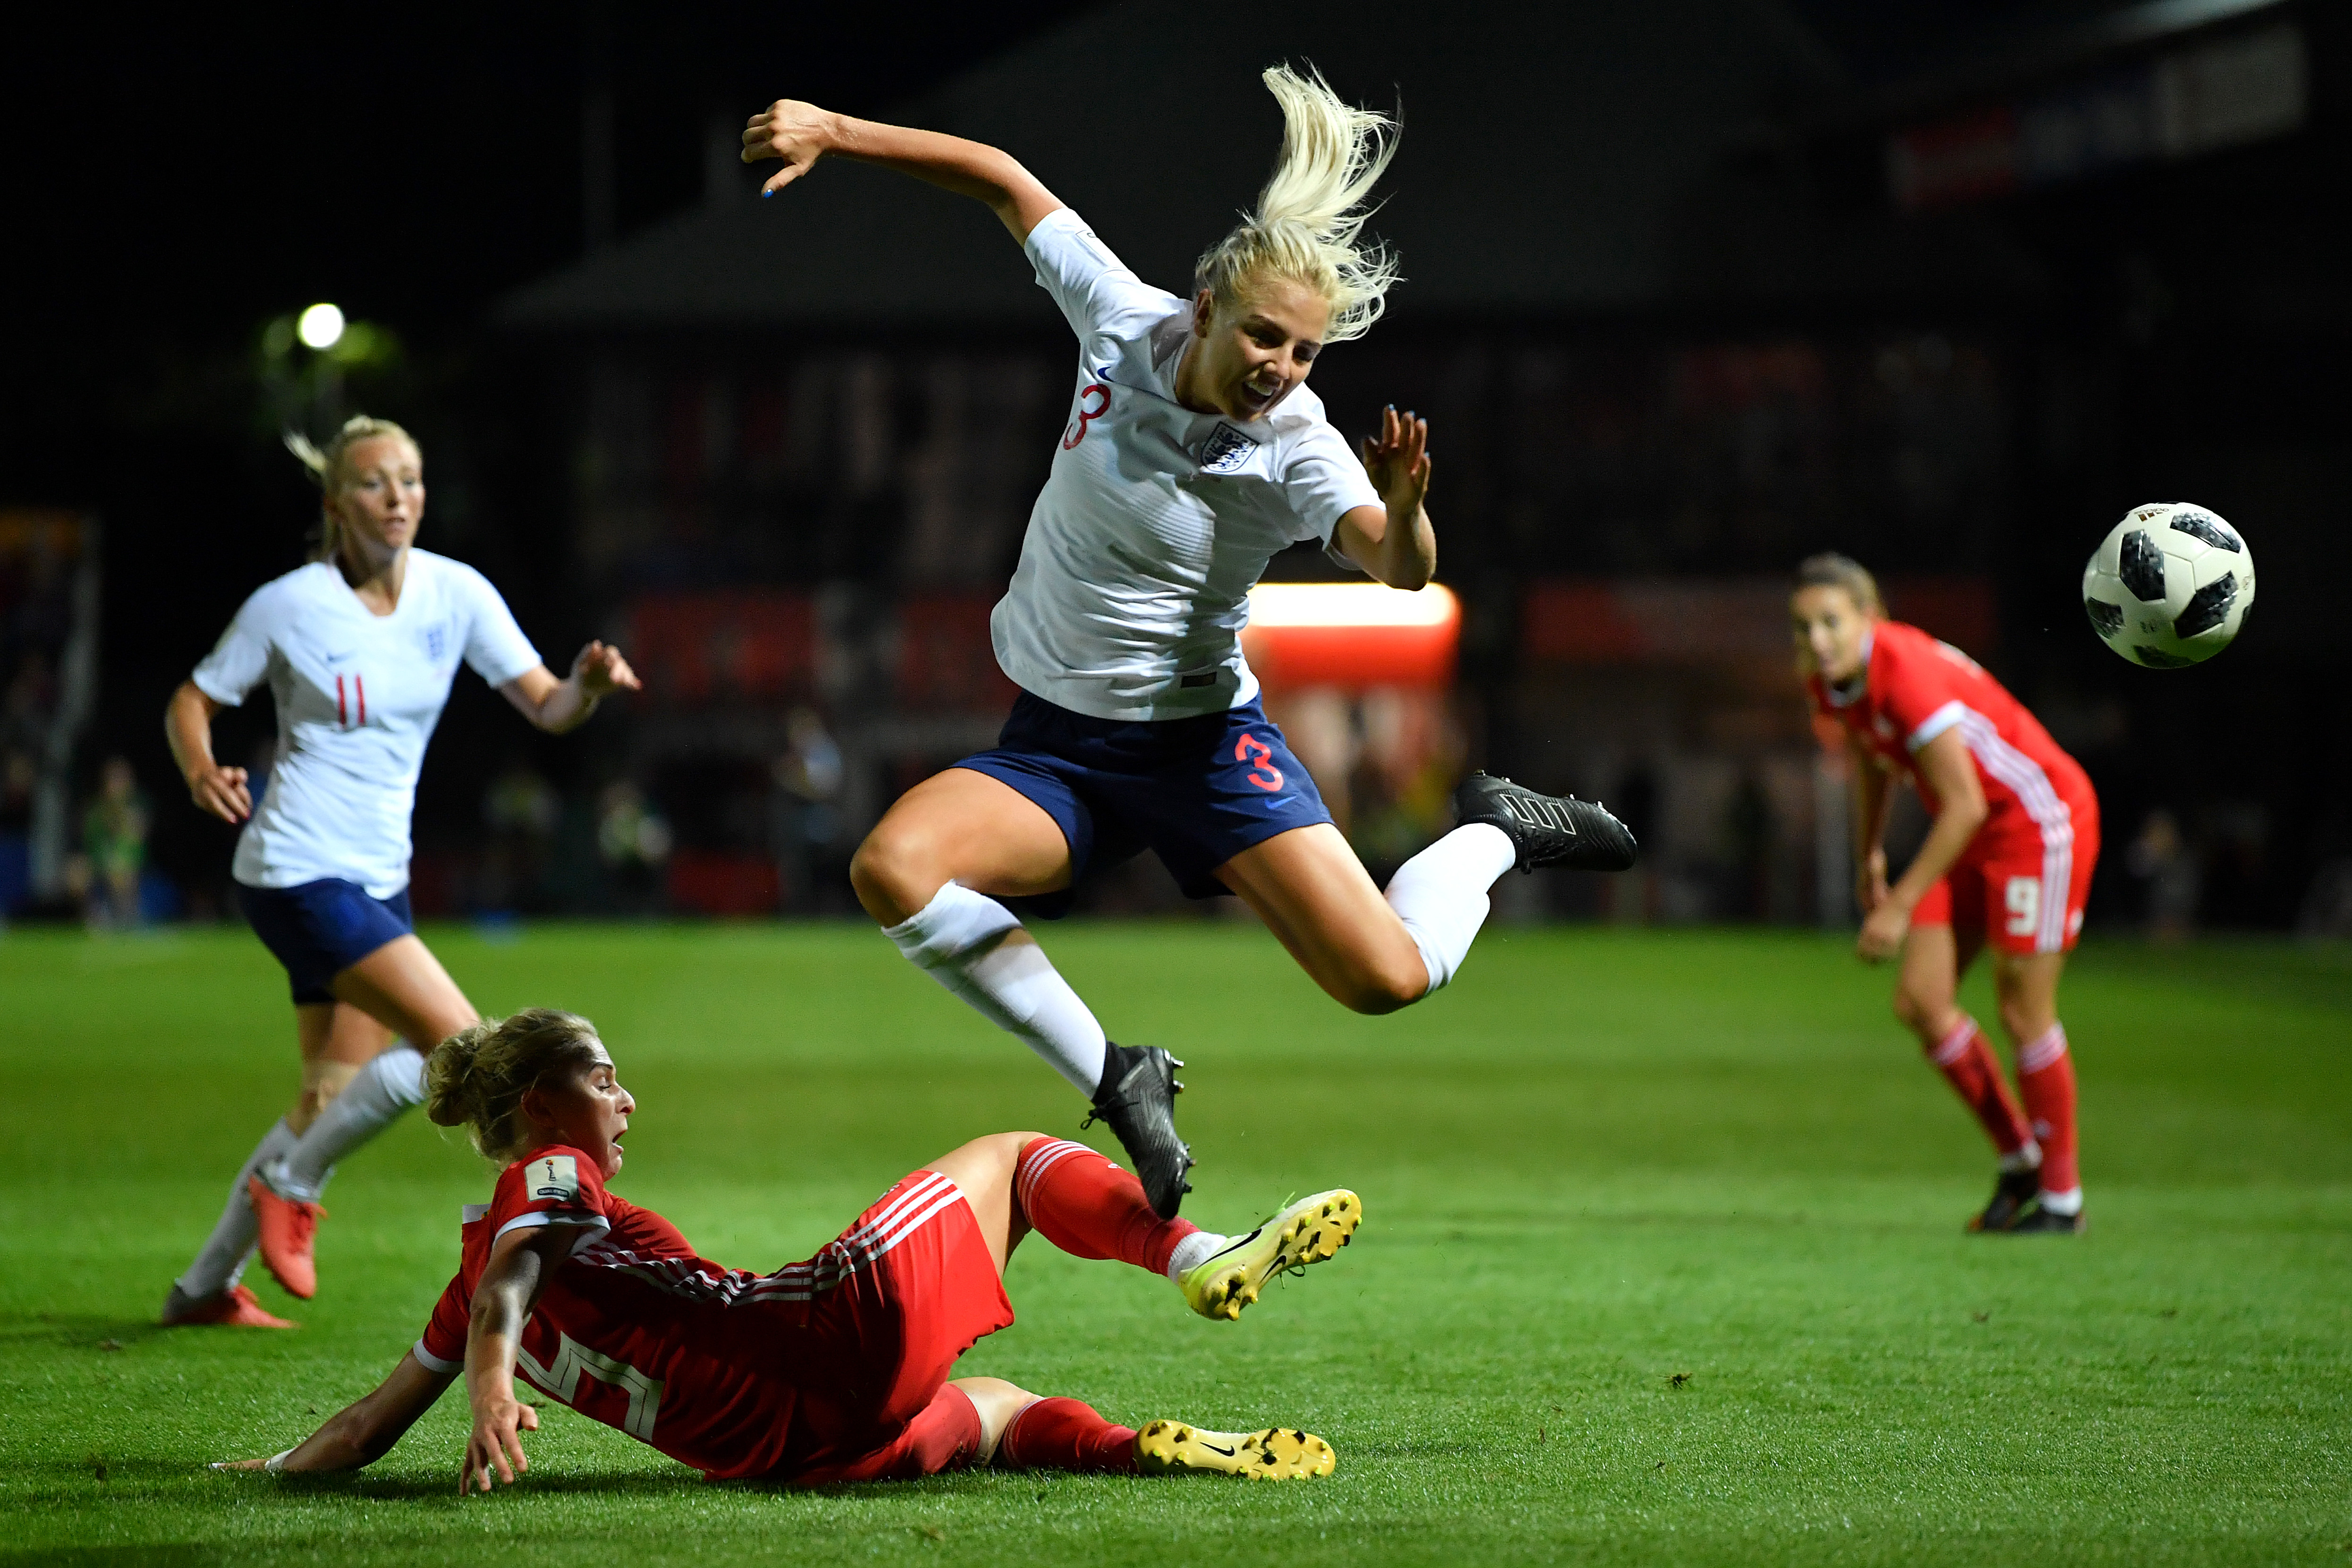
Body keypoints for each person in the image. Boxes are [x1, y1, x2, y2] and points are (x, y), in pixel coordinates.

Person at [740, 66, 1635, 1217]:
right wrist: (834, 128)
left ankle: (1498, 831)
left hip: (1204, 749)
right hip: (1058, 748)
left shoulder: (1297, 443)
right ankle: (1117, 1076)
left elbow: (1403, 569)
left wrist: (1408, 505)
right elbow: (1003, 180)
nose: (1281, 367)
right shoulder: (1121, 318)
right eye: (1265, 334)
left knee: (1386, 977)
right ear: (1205, 307)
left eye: (1303, 351)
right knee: (891, 869)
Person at [215, 1009, 1359, 1487]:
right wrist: (491, 1384)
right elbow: (512, 1281)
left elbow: (364, 1428)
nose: (624, 1095)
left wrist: (265, 1473)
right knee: (1014, 1156)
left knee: (996, 1410)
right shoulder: (548, 1174)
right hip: (826, 1330)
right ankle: (1197, 1252)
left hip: (794, 1451)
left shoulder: (465, 1283)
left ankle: (1137, 1449)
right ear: (539, 1103)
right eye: (601, 1076)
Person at [160, 416, 641, 1328]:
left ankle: (203, 1288)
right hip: (296, 868)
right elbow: (193, 697)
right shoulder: (290, 604)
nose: (397, 499)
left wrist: (587, 685)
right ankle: (293, 1186)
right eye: (374, 483)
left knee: (328, 1095)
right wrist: (199, 767)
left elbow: (547, 705)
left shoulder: (454, 594)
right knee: (461, 1047)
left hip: (376, 879)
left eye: (410, 480)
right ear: (336, 503)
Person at [1792, 553, 2098, 1233]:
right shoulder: (1831, 682)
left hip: (2035, 820)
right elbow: (1872, 758)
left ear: (1869, 617)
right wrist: (1869, 851)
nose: (1816, 639)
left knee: (2023, 1010)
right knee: (1921, 1002)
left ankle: (2062, 1201)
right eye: (1804, 626)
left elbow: (1963, 803)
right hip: (1975, 830)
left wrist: (1899, 905)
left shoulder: (1905, 673)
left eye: (1830, 622)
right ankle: (2019, 1160)